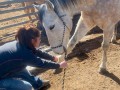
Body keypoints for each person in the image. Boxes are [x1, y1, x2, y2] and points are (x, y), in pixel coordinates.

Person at [0, 24, 67, 90]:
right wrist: (59, 65)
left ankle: (38, 84)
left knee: (21, 69)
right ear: (32, 40)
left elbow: (38, 52)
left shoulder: (23, 43)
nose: (40, 40)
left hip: (4, 68)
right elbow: (42, 63)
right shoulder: (24, 54)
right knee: (27, 87)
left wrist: (52, 58)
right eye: (39, 38)